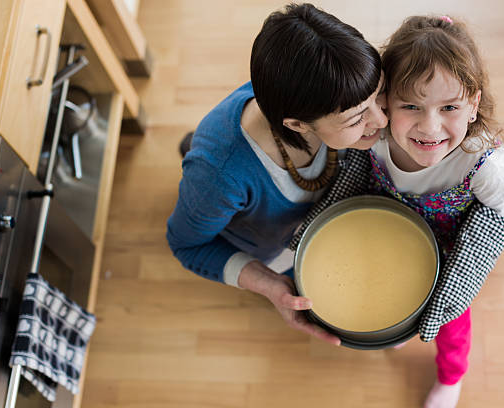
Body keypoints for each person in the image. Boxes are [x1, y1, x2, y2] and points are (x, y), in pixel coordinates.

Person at [166, 3, 388, 346]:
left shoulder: (315, 90)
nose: (382, 121)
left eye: (379, 96)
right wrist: (269, 284)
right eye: (358, 118)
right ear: (297, 125)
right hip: (272, 247)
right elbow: (186, 245)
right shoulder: (219, 174)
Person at [369, 15, 504, 407]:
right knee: (387, 288)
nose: (430, 127)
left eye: (449, 107)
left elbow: (497, 217)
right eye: (411, 105)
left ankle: (452, 376)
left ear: (473, 105)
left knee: (452, 323)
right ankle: (400, 326)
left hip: (449, 252)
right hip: (391, 237)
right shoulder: (378, 136)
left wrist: (459, 281)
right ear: (385, 101)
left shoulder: (485, 166)